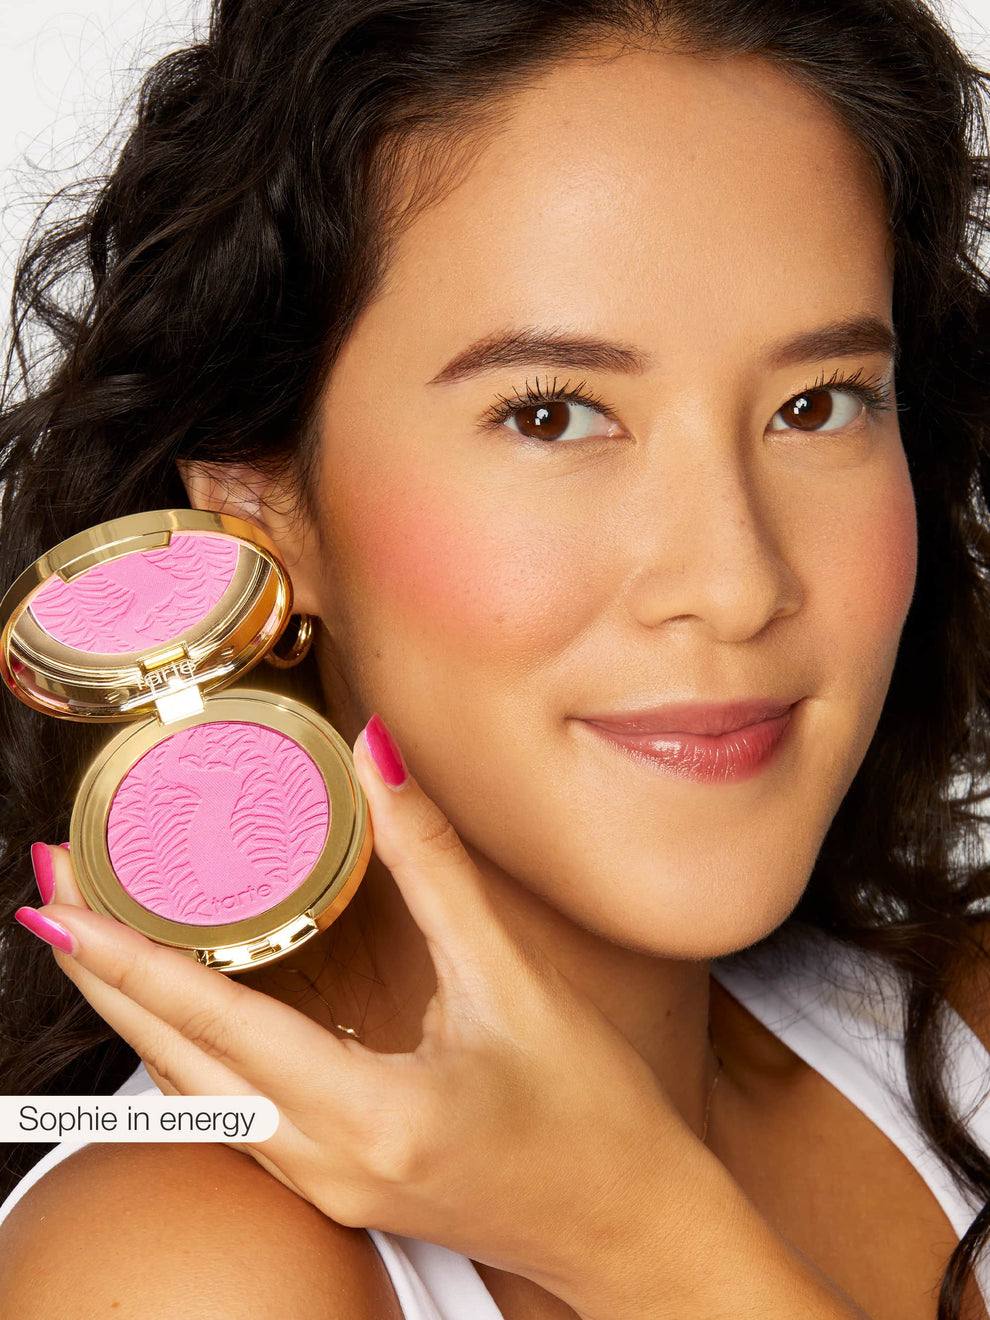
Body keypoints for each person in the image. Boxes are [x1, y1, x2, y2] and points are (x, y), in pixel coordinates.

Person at [0, 0, 988, 1315]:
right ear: (260, 507)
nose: (736, 582)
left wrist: (636, 1230)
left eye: (815, 406)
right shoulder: (186, 1272)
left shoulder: (960, 1020)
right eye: (551, 413)